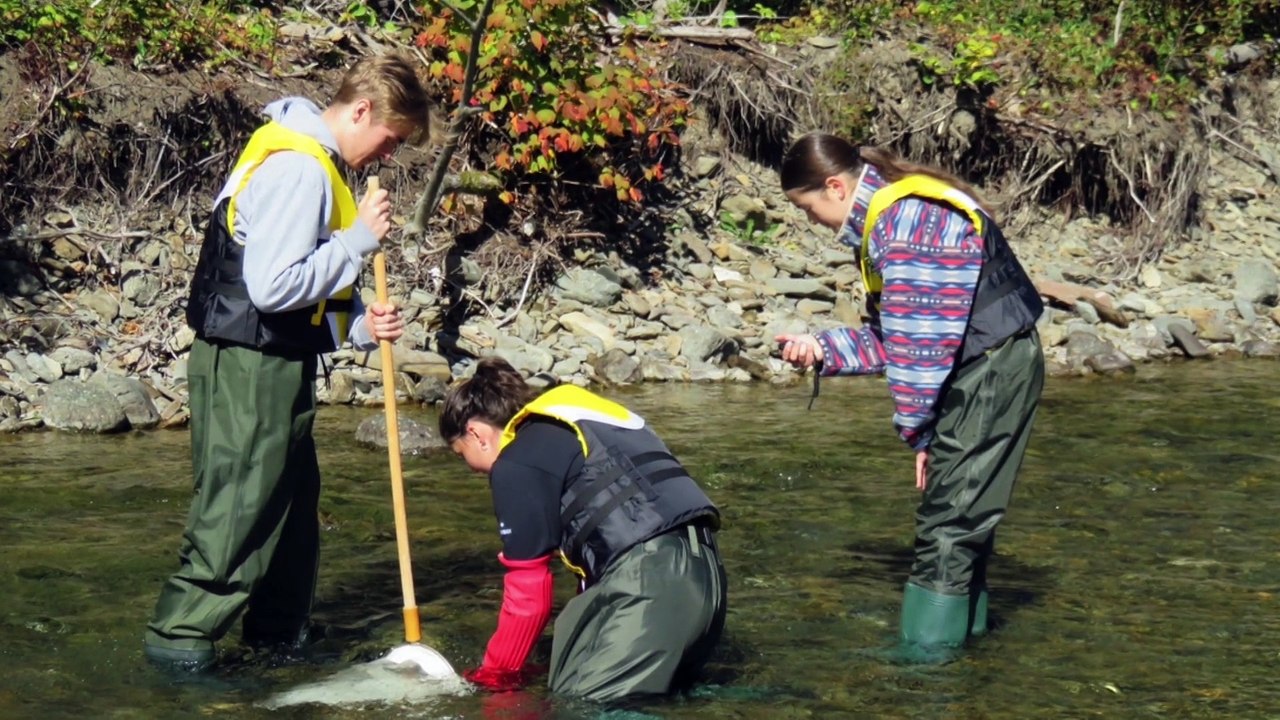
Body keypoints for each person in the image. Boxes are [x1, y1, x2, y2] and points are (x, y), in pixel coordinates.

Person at [143, 54, 432, 671]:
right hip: (249, 366)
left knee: (292, 511)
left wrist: (358, 327)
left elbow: (300, 292)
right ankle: (179, 645)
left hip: (276, 362)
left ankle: (277, 640)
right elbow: (273, 288)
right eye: (391, 139)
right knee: (240, 507)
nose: (389, 155)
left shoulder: (315, 164)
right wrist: (358, 242)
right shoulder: (299, 168)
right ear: (362, 110)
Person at [776, 132, 1045, 661]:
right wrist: (824, 348)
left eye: (808, 209)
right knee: (964, 515)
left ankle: (924, 670)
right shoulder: (897, 213)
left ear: (835, 188)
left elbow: (922, 354)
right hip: (984, 365)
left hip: (991, 370)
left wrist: (919, 433)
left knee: (948, 524)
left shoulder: (907, 226)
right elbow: (900, 334)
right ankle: (968, 657)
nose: (813, 222)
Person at [439, 357, 726, 702]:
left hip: (650, 580)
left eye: (461, 454)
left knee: (583, 708)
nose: (472, 469)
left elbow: (529, 597)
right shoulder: (579, 420)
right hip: (707, 574)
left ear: (476, 434)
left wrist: (494, 678)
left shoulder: (515, 463)